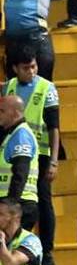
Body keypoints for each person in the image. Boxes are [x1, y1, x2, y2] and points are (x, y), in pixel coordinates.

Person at [3, 47, 58, 265]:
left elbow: (54, 127)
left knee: (43, 200)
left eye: (34, 66)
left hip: (40, 152)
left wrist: (53, 160)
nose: (32, 71)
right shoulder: (9, 87)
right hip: (17, 147)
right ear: (15, 69)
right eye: (26, 68)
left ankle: (48, 251)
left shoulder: (47, 88)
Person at [0, 95, 38, 234]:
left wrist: (10, 208)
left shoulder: (21, 135)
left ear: (15, 113)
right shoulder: (12, 133)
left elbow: (20, 173)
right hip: (14, 204)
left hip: (19, 204)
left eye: (2, 111)